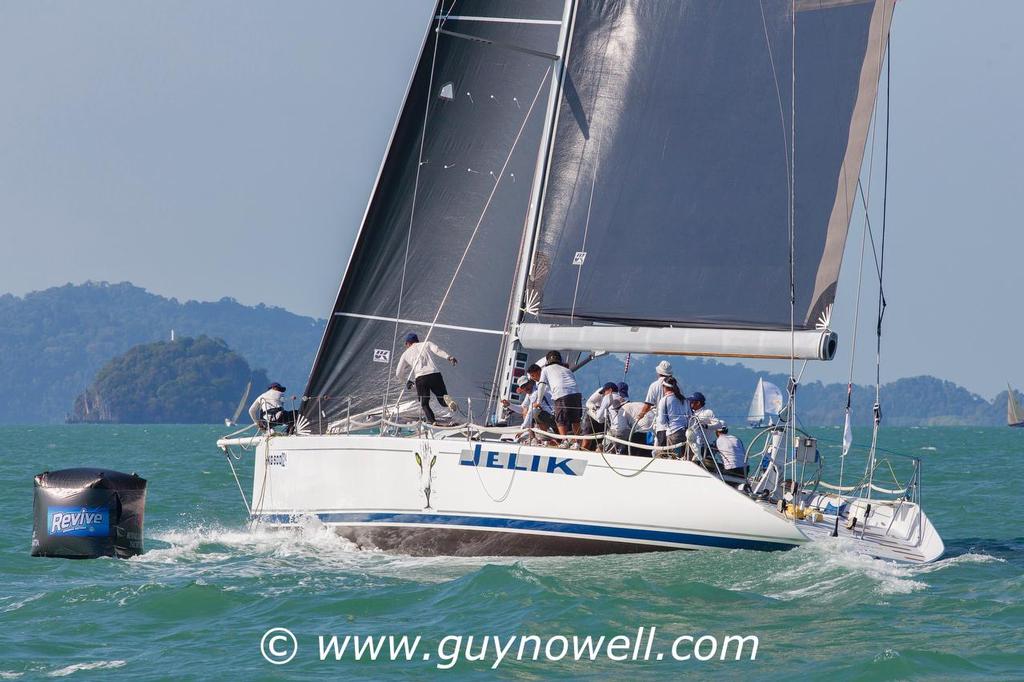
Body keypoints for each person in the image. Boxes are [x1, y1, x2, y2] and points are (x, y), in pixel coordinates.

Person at [395, 332, 458, 424]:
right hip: (435, 375)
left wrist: (406, 381)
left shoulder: (405, 354)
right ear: (417, 340)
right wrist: (449, 357)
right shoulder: (427, 344)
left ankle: (432, 421)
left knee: (424, 403)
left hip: (421, 379)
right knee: (443, 397)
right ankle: (448, 403)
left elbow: (398, 373)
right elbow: (437, 350)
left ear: (407, 343)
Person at [535, 350, 583, 447]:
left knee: (560, 419)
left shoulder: (546, 369)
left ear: (548, 361)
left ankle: (564, 441)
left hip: (561, 394)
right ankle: (577, 443)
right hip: (576, 394)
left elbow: (541, 386)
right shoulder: (567, 370)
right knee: (575, 420)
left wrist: (538, 402)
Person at [500, 373, 556, 443]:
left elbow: (530, 412)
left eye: (526, 385)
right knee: (527, 411)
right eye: (523, 386)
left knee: (533, 413)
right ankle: (535, 438)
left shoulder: (536, 392)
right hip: (549, 417)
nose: (525, 388)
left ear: (530, 383)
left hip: (554, 417)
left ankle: (540, 437)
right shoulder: (529, 394)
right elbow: (522, 409)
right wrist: (509, 405)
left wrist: (522, 430)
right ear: (521, 388)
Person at [638, 360, 680, 447]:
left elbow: (647, 405)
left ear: (658, 372)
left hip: (662, 424)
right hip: (676, 425)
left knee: (661, 448)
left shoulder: (655, 385)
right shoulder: (677, 385)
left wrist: (640, 415)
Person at [655, 377, 689, 458]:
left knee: (673, 458)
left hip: (673, 433)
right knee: (682, 457)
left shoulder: (664, 400)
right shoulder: (684, 399)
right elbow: (689, 415)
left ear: (665, 387)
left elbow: (662, 421)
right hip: (684, 432)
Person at [686, 391, 723, 461]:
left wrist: (705, 426)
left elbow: (719, 425)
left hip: (706, 446)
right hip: (694, 445)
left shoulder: (707, 412)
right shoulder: (691, 413)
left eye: (692, 401)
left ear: (698, 403)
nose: (690, 403)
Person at [582, 382, 619, 451]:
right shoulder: (600, 393)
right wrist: (594, 408)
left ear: (610, 390)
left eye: (605, 391)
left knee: (600, 443)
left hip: (605, 420)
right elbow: (588, 402)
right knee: (587, 441)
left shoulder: (615, 397)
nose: (604, 393)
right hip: (593, 417)